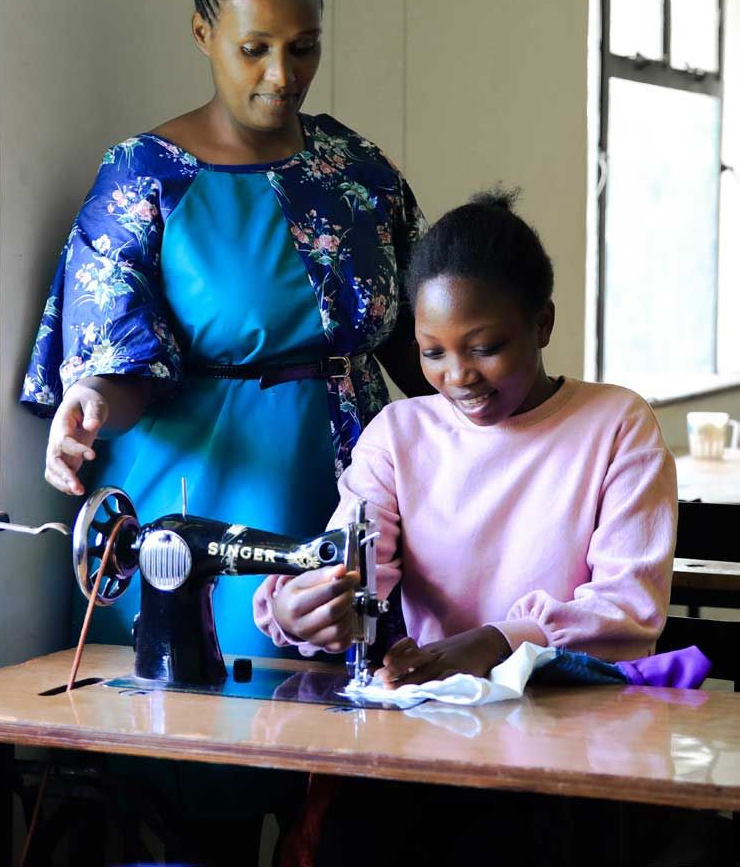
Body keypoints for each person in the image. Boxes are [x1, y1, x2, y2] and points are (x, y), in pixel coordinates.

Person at [20, 0, 429, 862]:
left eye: (303, 48)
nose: (281, 75)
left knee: (348, 790)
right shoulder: (144, 181)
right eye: (254, 49)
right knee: (197, 782)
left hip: (346, 483)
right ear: (203, 35)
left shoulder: (358, 170)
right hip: (199, 492)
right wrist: (84, 407)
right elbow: (115, 362)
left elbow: (426, 338)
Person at [254, 189, 678, 864]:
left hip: (566, 738)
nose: (458, 378)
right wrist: (300, 606)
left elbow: (629, 613)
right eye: (432, 352)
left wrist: (495, 641)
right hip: (431, 738)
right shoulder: (399, 433)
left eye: (484, 347)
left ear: (542, 323)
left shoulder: (617, 425)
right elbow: (343, 561)